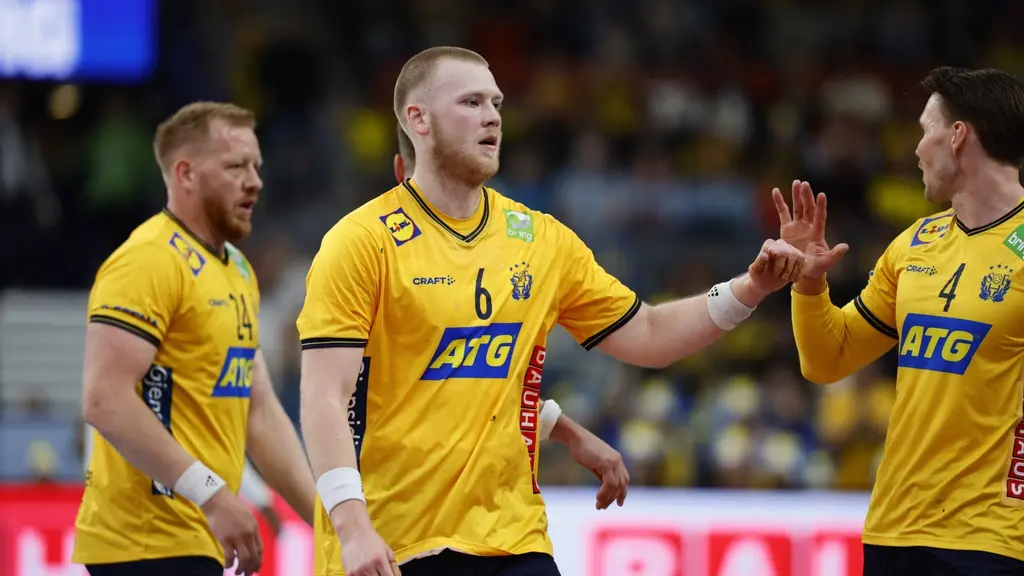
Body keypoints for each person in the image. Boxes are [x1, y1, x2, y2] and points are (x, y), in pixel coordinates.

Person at [299, 46, 804, 576]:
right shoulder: (361, 242)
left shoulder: (540, 239)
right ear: (417, 120)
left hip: (513, 538)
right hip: (398, 544)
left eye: (495, 102)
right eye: (471, 102)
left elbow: (650, 333)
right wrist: (352, 529)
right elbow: (324, 396)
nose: (493, 115)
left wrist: (750, 287)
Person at [774, 66, 1024, 576]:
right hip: (895, 530)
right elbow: (828, 361)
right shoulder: (913, 244)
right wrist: (808, 284)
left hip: (995, 537)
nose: (915, 149)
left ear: (957, 137)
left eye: (924, 130)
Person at [73, 102, 317, 576]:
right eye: (235, 166)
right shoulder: (148, 259)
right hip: (144, 542)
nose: (255, 181)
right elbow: (103, 399)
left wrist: (331, 527)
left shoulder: (238, 269)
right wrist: (211, 494)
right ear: (185, 173)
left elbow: (259, 412)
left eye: (256, 166)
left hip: (197, 541)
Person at [393, 120, 634, 509]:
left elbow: (476, 390)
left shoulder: (511, 255)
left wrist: (568, 431)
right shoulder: (379, 260)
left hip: (497, 522)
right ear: (403, 175)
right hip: (405, 512)